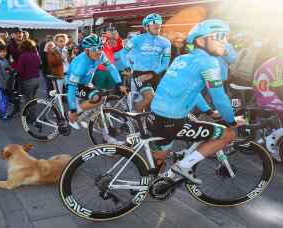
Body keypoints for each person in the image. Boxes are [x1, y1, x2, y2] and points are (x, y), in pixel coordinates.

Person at [149, 19, 245, 184]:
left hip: (158, 115)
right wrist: (231, 121)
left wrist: (208, 112)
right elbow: (220, 98)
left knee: (158, 160)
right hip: (173, 120)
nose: (224, 41)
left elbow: (193, 92)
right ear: (201, 40)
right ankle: (183, 166)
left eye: (226, 37)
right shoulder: (209, 62)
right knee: (228, 134)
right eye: (219, 36)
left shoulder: (182, 59)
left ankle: (147, 186)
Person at [66, 34, 127, 130]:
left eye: (100, 47)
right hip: (73, 84)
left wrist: (119, 83)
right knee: (97, 98)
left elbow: (111, 68)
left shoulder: (101, 55)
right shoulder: (80, 64)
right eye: (95, 49)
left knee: (100, 100)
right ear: (86, 50)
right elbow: (71, 88)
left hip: (86, 83)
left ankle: (95, 124)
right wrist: (73, 110)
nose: (98, 51)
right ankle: (73, 114)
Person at [121, 13, 171, 112]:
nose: (157, 25)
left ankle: (146, 124)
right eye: (153, 23)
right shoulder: (137, 39)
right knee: (149, 97)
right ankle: (132, 119)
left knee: (153, 105)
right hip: (139, 74)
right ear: (146, 26)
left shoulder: (166, 42)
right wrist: (127, 67)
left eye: (159, 22)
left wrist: (152, 74)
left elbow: (165, 63)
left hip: (155, 74)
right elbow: (123, 53)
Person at [0, 44, 13, 119]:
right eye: (1, 52)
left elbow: (9, 68)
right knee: (1, 100)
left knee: (2, 99)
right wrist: (4, 85)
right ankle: (1, 114)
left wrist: (13, 71)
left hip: (5, 84)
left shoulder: (4, 59)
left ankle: (0, 113)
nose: (3, 53)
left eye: (4, 51)